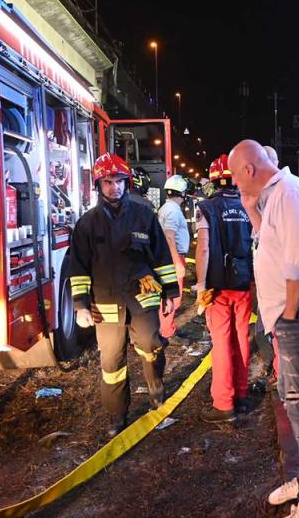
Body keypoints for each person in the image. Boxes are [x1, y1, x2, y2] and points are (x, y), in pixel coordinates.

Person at [229, 140, 299, 518]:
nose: (235, 183)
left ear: (250, 170)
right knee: (298, 409)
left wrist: (287, 317)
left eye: (236, 175)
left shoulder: (288, 193)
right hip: (293, 320)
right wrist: (252, 212)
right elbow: (273, 249)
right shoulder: (277, 197)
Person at [69, 153, 181, 434]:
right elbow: (78, 267)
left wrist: (170, 291)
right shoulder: (87, 223)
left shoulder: (144, 215)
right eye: (107, 182)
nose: (113, 187)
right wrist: (80, 305)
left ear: (126, 182)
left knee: (151, 346)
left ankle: (157, 397)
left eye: (118, 181)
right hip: (105, 303)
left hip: (142, 299)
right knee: (111, 362)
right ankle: (117, 415)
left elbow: (161, 256)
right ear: (99, 185)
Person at [195, 155, 254, 422]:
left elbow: (204, 248)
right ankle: (241, 394)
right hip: (244, 284)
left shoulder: (207, 207)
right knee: (242, 337)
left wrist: (201, 286)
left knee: (221, 341)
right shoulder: (249, 204)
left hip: (218, 288)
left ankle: (223, 403)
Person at [158, 175, 190, 340]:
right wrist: (178, 262)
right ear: (182, 192)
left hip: (170, 257)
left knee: (168, 297)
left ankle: (165, 329)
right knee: (173, 298)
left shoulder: (166, 208)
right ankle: (167, 331)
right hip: (173, 257)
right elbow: (169, 236)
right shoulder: (173, 211)